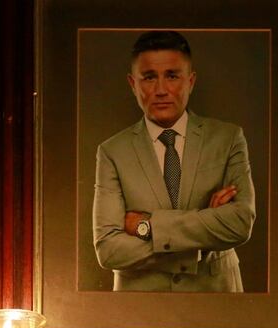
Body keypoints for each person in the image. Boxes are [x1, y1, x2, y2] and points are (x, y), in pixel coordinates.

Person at [92, 31, 257, 292]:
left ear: (190, 81)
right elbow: (109, 251)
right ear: (133, 84)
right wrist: (205, 226)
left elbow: (239, 225)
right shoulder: (112, 151)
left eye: (172, 76)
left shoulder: (228, 139)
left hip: (217, 299)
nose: (160, 90)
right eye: (148, 78)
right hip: (140, 310)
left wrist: (147, 227)